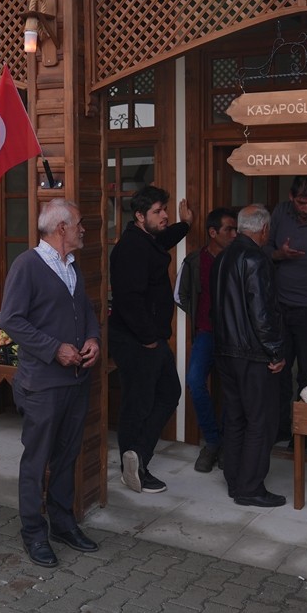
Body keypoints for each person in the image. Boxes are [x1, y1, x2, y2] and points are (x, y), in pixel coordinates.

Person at [0, 199, 102, 568]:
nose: (83, 230)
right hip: (42, 383)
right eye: (79, 224)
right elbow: (10, 319)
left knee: (66, 457)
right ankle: (33, 531)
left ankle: (62, 524)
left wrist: (93, 338)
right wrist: (53, 348)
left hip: (75, 380)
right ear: (61, 228)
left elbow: (87, 310)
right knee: (37, 460)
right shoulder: (28, 265)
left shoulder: (73, 266)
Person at [109, 184, 192, 494]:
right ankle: (133, 466)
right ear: (140, 215)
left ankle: (137, 455)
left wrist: (185, 224)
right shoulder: (130, 248)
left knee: (167, 392)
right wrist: (147, 339)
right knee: (137, 401)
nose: (165, 215)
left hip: (150, 337)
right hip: (136, 339)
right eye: (158, 211)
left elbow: (165, 238)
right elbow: (128, 299)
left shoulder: (147, 239)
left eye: (164, 210)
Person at [212, 205, 286, 507]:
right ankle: (250, 488)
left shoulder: (223, 256)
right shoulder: (256, 258)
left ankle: (234, 479)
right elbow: (261, 312)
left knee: (235, 417)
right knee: (259, 420)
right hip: (251, 353)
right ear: (265, 229)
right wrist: (275, 350)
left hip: (225, 350)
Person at [266, 175, 307, 442]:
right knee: (279, 371)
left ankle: (304, 434)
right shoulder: (281, 212)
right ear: (292, 197)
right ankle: (281, 428)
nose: (306, 208)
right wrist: (280, 255)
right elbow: (264, 249)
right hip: (281, 306)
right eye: (301, 202)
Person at [174, 207, 237, 473]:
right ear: (213, 232)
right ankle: (212, 442)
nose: (235, 234)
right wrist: (199, 315)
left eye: (236, 229)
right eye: (229, 230)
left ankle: (228, 446)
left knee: (233, 390)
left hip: (234, 336)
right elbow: (180, 295)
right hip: (206, 334)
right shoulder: (194, 261)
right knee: (195, 382)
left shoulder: (239, 259)